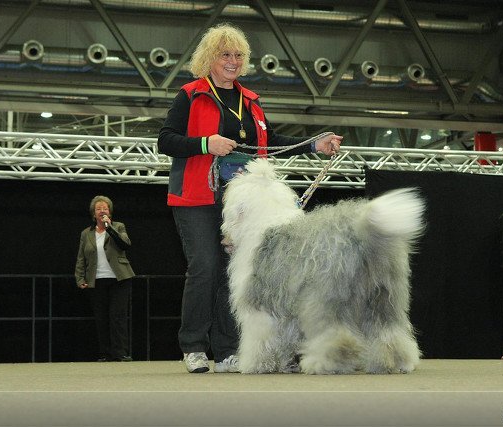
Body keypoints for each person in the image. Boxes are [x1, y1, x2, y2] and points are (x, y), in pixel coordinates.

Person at [157, 23, 342, 373]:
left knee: (236, 273)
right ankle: (193, 346)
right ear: (210, 58)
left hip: (245, 203)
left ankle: (228, 349)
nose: (233, 61)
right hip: (199, 197)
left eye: (239, 55)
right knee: (205, 268)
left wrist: (314, 144)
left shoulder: (251, 101)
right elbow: (165, 140)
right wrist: (205, 143)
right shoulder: (191, 95)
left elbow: (271, 142)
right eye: (225, 54)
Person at [75, 195, 135, 362]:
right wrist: (80, 278)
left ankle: (120, 353)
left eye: (105, 208)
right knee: (101, 318)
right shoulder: (86, 234)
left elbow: (125, 244)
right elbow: (81, 257)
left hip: (119, 279)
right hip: (97, 280)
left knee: (118, 316)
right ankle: (105, 354)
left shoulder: (118, 226)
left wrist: (110, 228)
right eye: (98, 209)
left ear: (110, 212)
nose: (102, 211)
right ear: (93, 214)